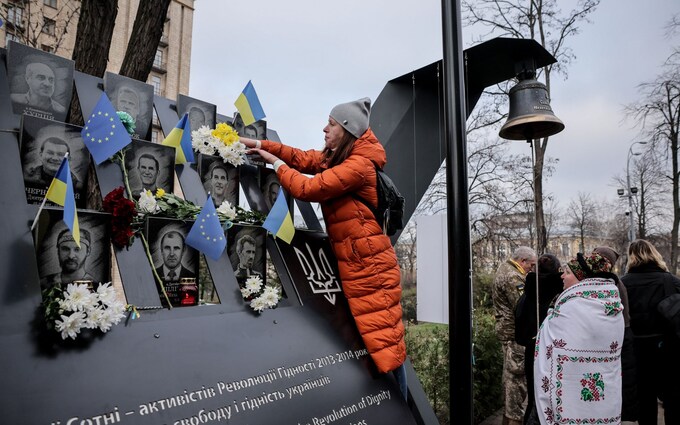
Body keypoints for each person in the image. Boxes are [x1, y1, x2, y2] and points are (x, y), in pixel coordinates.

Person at [241, 98, 408, 400]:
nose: (324, 128)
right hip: (362, 264)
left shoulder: (358, 166)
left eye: (330, 124)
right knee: (380, 343)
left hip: (371, 269)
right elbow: (303, 158)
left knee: (384, 347)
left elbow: (308, 188)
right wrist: (259, 145)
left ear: (345, 130)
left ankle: (400, 409)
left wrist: (276, 164)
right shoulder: (341, 158)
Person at [534, 252, 624, 425]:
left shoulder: (572, 307)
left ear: (580, 277)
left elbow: (552, 342)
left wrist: (552, 314)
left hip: (572, 399)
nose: (562, 275)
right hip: (605, 398)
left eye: (567, 272)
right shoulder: (613, 303)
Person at [621, 239, 680, 425]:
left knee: (645, 403)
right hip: (669, 350)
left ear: (631, 257)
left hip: (637, 352)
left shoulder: (623, 285)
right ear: (655, 254)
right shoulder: (671, 281)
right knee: (673, 400)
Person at [514, 254, 563, 424]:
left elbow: (519, 328)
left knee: (535, 398)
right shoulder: (562, 293)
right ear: (558, 270)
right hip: (557, 353)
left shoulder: (528, 293)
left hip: (532, 351)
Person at [493, 246, 536, 425]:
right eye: (531, 265)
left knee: (511, 377)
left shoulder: (507, 269)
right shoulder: (513, 276)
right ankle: (513, 418)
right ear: (522, 261)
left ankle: (510, 417)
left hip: (509, 331)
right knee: (515, 378)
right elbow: (521, 305)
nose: (532, 269)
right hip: (514, 334)